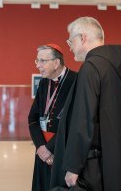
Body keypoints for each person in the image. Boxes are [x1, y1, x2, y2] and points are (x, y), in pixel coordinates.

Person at [50, 17, 121, 191]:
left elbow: (83, 120)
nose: (69, 46)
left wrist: (73, 167)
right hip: (111, 160)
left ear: (82, 38)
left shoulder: (90, 68)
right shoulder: (112, 67)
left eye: (70, 40)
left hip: (92, 165)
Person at [28, 44, 77, 191]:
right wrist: (41, 147)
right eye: (37, 61)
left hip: (63, 149)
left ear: (56, 63)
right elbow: (33, 118)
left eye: (42, 61)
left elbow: (74, 122)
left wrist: (50, 148)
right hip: (43, 152)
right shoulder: (44, 82)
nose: (38, 65)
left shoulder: (76, 81)